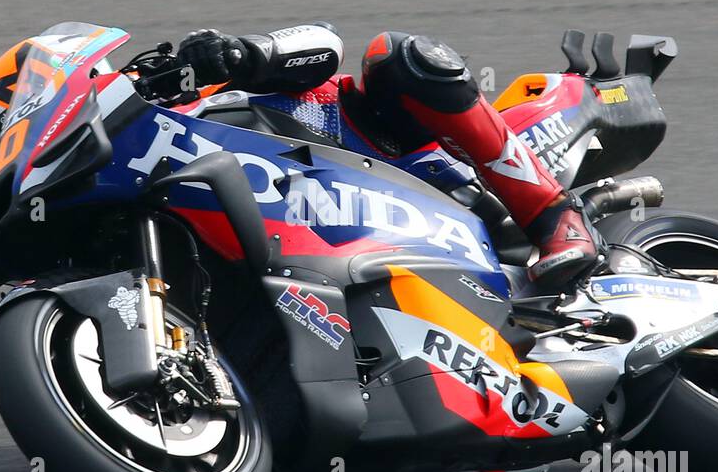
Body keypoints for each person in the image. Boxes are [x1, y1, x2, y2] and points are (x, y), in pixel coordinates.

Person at [176, 23, 597, 288]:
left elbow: (324, 40)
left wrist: (234, 53)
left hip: (406, 173)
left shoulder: (299, 81)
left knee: (404, 55)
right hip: (296, 241)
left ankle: (556, 217)